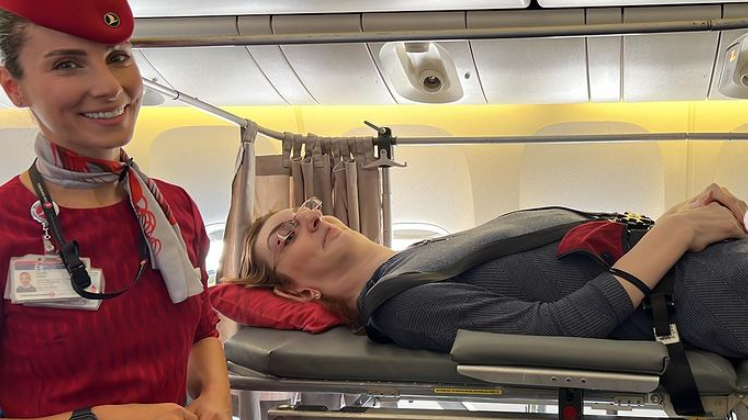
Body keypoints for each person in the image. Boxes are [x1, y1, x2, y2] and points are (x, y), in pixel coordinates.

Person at [0, 0, 231, 420]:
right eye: (67, 64)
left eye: (117, 57)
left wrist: (214, 394)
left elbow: (202, 327)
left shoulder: (174, 209)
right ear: (13, 86)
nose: (110, 87)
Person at [234, 184, 748, 358]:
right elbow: (557, 328)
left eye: (305, 208)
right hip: (709, 293)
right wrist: (674, 233)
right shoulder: (398, 304)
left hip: (701, 263)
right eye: (287, 236)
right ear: (299, 293)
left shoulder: (423, 253)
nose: (311, 218)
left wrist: (676, 217)